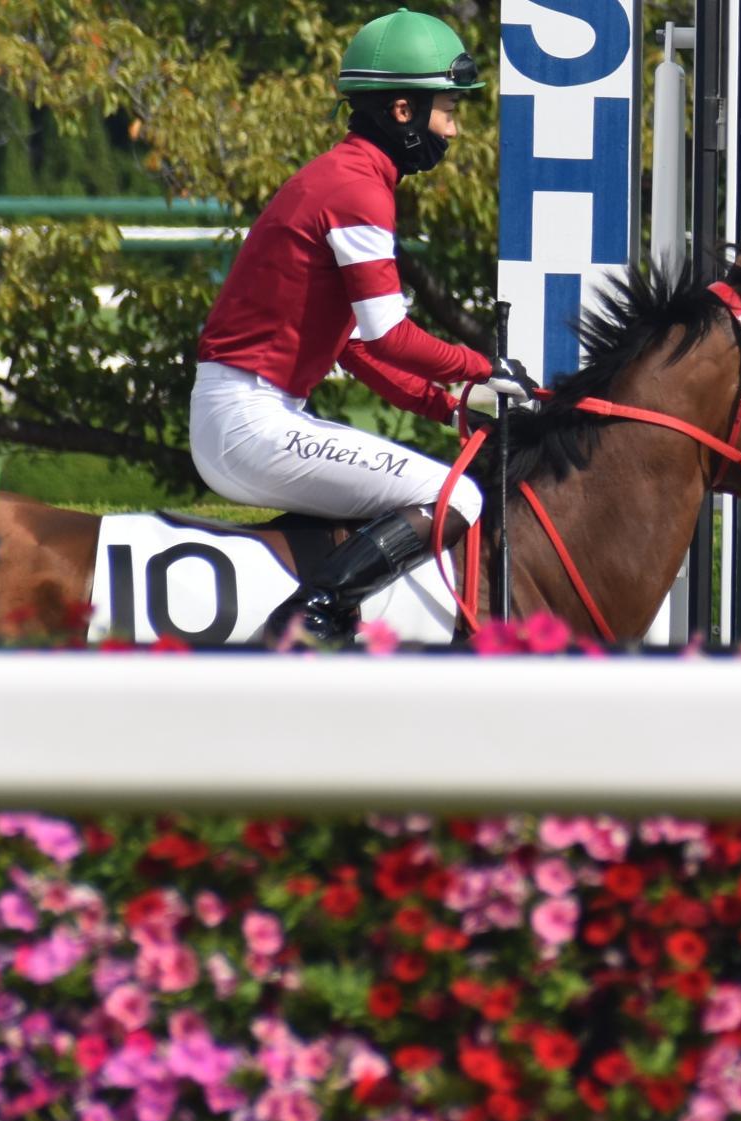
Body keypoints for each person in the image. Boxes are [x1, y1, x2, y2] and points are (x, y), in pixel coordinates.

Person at [189, 7, 537, 645]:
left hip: (241, 417)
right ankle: (312, 616)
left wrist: (448, 408)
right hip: (249, 423)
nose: (454, 130)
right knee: (459, 498)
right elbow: (389, 337)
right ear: (403, 111)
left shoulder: (344, 176)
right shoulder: (357, 189)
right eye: (448, 111)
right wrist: (487, 369)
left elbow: (355, 350)